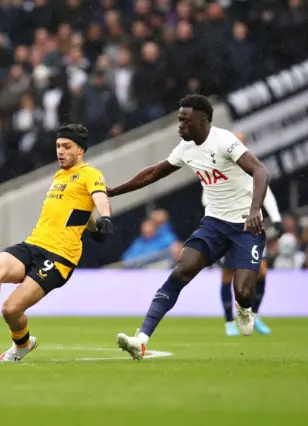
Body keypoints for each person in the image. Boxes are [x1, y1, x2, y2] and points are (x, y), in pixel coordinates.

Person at [107, 95, 270, 360]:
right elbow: (153, 173)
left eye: (185, 120)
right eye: (179, 120)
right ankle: (142, 339)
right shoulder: (186, 148)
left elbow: (260, 171)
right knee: (181, 271)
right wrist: (115, 191)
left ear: (203, 121)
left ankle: (244, 307)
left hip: (245, 226)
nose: (180, 126)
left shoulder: (225, 141)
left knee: (243, 291)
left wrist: (254, 211)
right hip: (214, 224)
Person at [0, 124, 114, 362]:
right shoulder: (60, 176)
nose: (60, 151)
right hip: (33, 245)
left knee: (11, 309)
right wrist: (93, 227)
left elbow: (99, 197)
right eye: (58, 146)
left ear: (80, 150)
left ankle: (22, 346)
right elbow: (81, 211)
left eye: (66, 146)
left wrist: (107, 217)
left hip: (59, 257)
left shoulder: (90, 174)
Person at [215, 131, 283, 336]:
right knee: (227, 275)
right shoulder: (219, 165)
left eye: (240, 142)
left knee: (261, 270)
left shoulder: (251, 163)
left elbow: (266, 191)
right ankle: (229, 322)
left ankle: (254, 314)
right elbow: (207, 197)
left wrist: (276, 218)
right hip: (227, 225)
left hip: (251, 226)